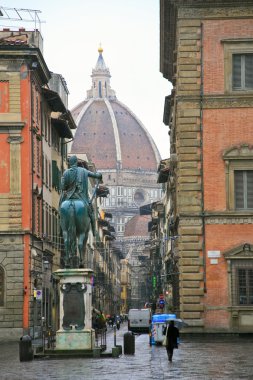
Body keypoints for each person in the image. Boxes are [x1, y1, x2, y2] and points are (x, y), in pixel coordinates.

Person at [59, 155, 102, 236]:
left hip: (68, 198)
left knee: (60, 210)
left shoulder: (66, 173)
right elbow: (95, 175)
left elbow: (63, 187)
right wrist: (99, 175)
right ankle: (94, 231)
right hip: (81, 198)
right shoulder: (84, 171)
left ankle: (60, 229)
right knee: (91, 212)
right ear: (76, 162)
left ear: (70, 163)